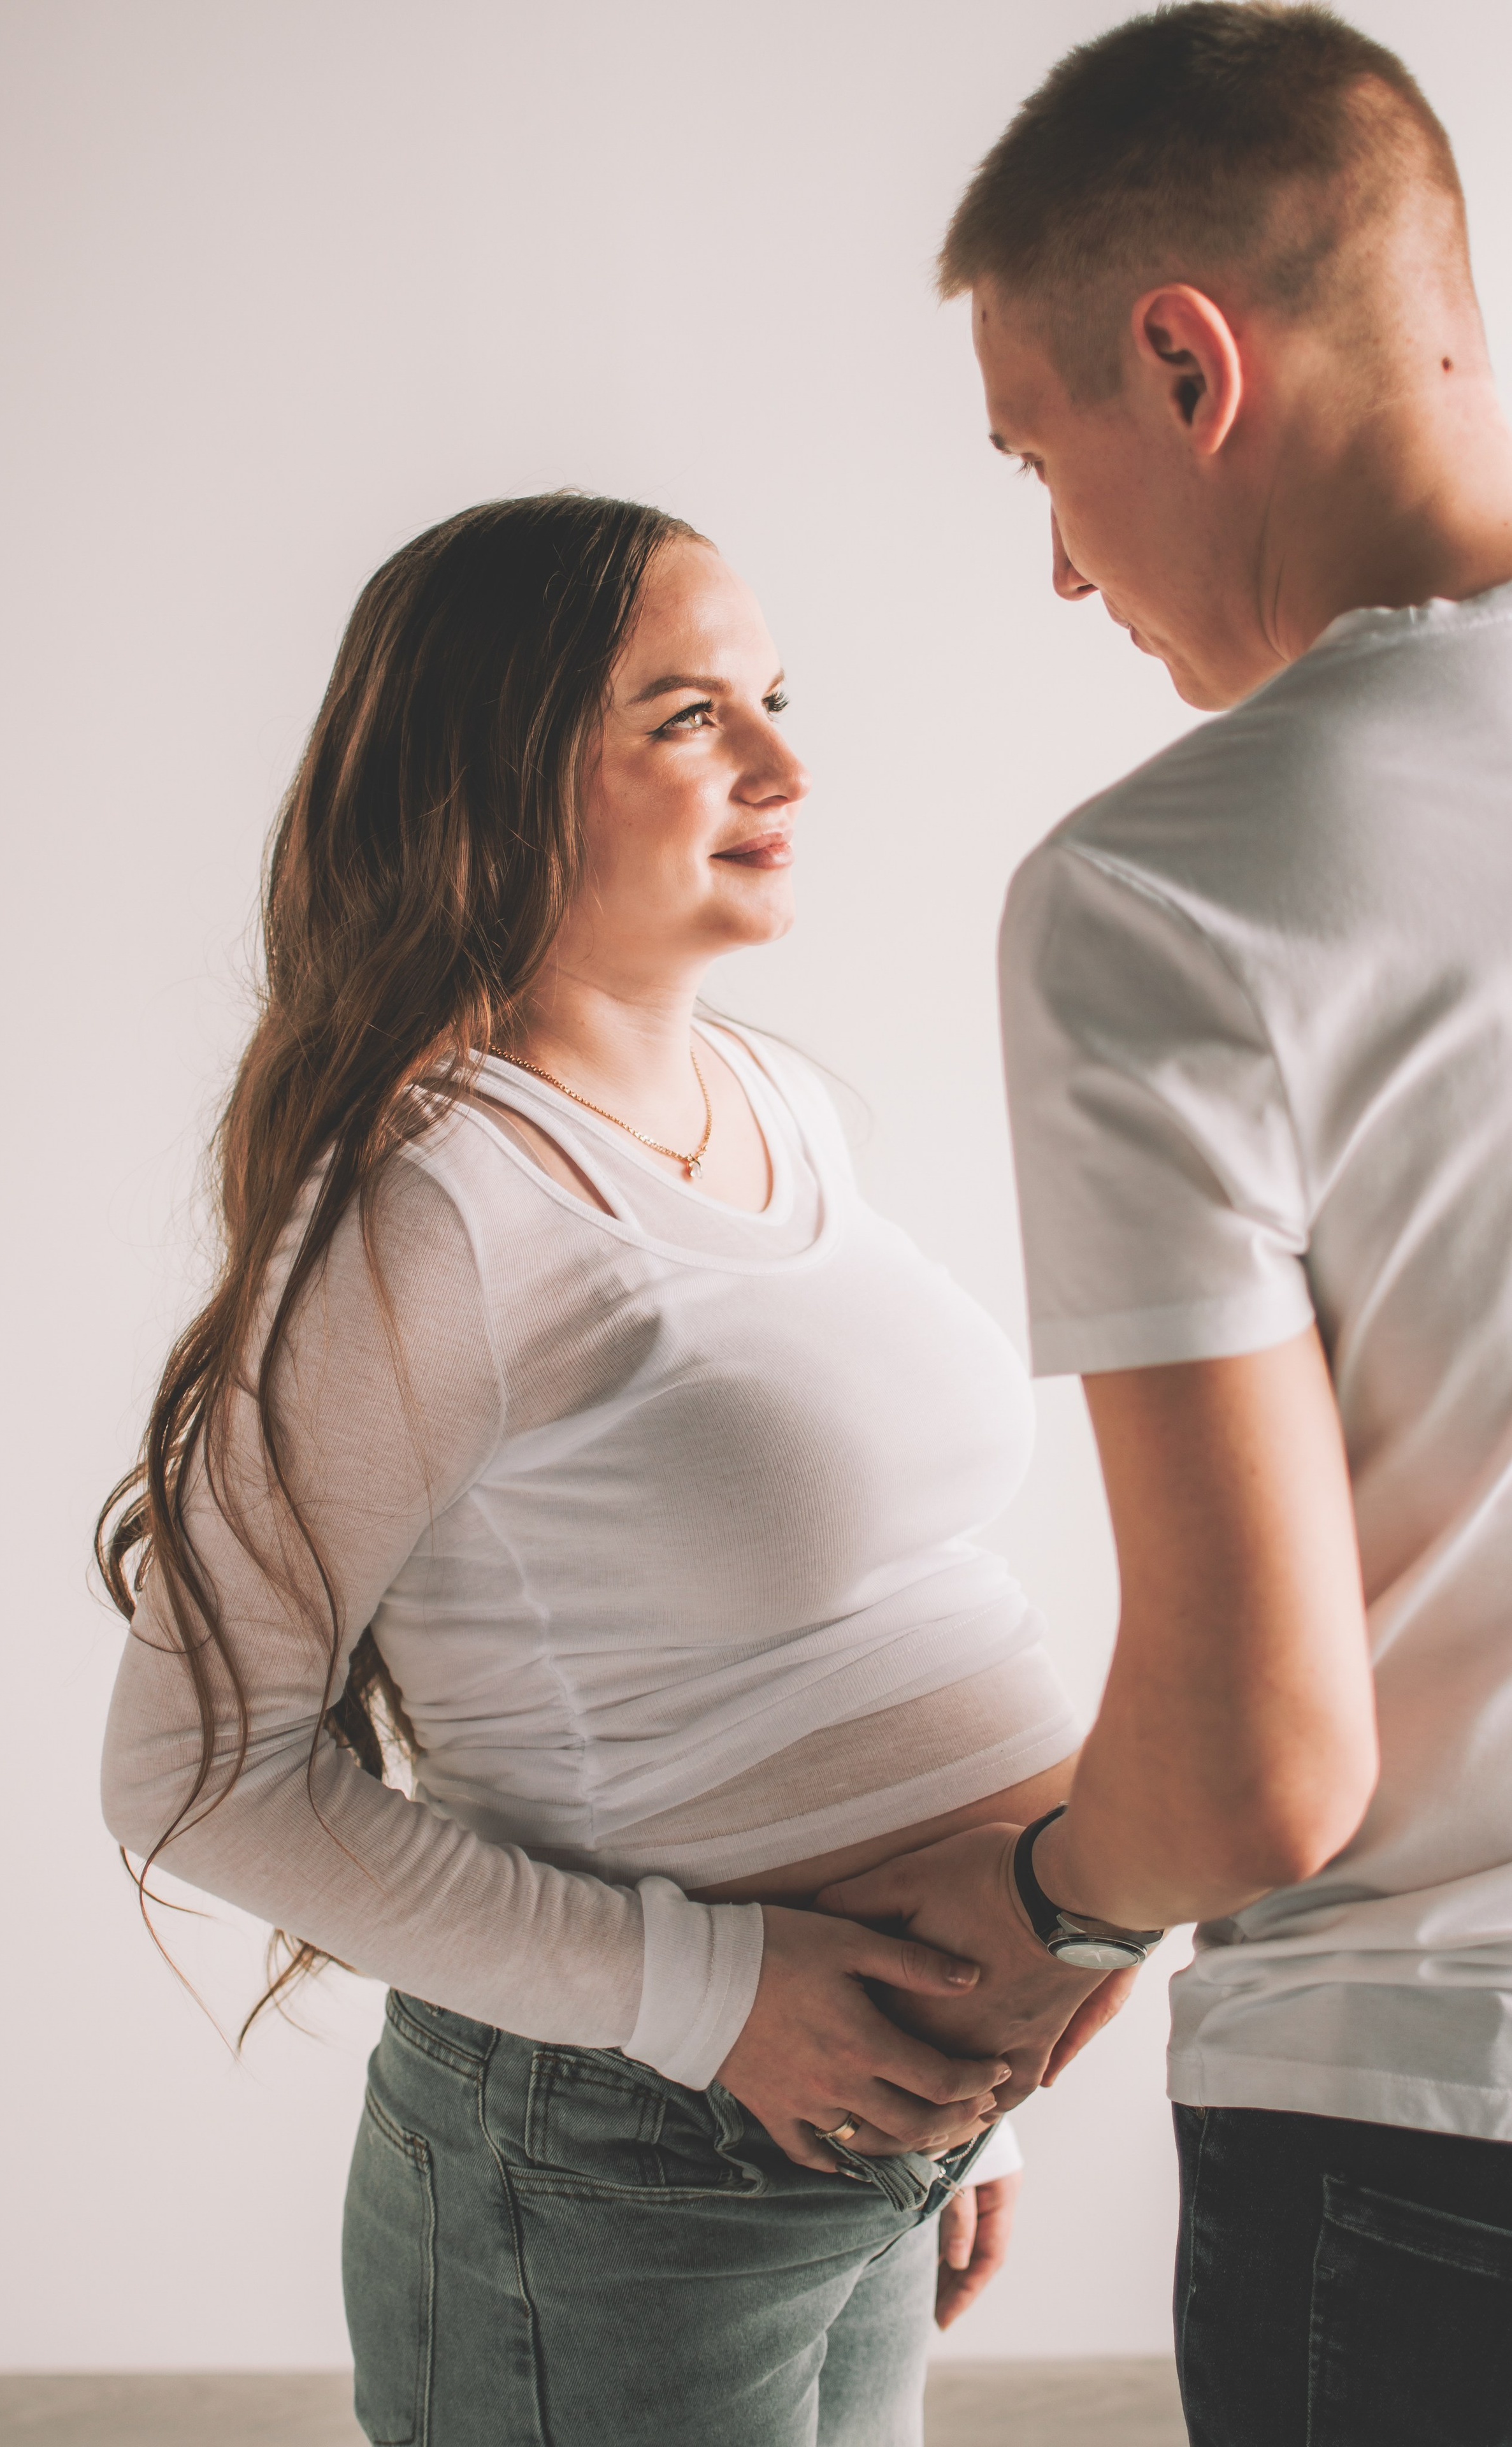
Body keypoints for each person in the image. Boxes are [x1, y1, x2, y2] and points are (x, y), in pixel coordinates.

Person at [97, 491, 1101, 2447]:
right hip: (624, 2155)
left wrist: (971, 2095)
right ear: (496, 772)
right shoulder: (429, 1207)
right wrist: (710, 1997)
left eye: (778, 700)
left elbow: (872, 1608)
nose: (784, 765)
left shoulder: (774, 1098)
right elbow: (193, 1773)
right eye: (690, 716)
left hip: (856, 2128)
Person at [820, 8, 1512, 2442]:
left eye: (1042, 455)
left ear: (1186, 364)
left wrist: (1036, 1909)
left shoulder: (1165, 896)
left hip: (1431, 2130)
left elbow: (1255, 1763)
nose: (1056, 565)